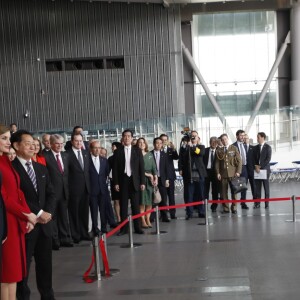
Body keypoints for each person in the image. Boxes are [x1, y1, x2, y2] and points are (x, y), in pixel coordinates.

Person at [11, 130, 56, 300]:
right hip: (25, 226)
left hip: (45, 225)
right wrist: (38, 213)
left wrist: (48, 212)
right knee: (23, 268)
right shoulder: (11, 168)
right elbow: (16, 195)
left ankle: (48, 296)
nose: (33, 146)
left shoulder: (40, 167)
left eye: (33, 143)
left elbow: (51, 193)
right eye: (28, 143)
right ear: (16, 146)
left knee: (45, 267)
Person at [0, 125, 36, 300]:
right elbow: (4, 197)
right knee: (6, 274)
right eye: (4, 138)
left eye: (9, 138)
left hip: (15, 222)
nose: (9, 142)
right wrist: (26, 214)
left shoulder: (6, 161)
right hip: (5, 223)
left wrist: (28, 215)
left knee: (14, 273)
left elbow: (18, 191)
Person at [112, 129, 145, 235]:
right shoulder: (118, 151)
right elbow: (115, 169)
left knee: (136, 206)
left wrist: (142, 182)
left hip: (135, 181)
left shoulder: (137, 150)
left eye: (128, 136)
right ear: (122, 138)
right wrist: (116, 182)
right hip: (123, 181)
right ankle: (123, 229)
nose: (126, 138)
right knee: (123, 207)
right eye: (125, 136)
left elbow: (141, 168)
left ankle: (138, 228)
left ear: (132, 138)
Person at [44, 134, 73, 250]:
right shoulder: (45, 157)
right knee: (54, 217)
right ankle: (55, 241)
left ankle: (65, 238)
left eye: (61, 143)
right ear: (51, 144)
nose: (60, 146)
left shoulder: (66, 156)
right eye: (57, 143)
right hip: (52, 193)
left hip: (65, 192)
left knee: (64, 217)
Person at [66, 132, 90, 243]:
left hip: (86, 188)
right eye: (76, 140)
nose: (79, 142)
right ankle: (76, 235)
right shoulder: (67, 155)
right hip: (74, 190)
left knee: (84, 212)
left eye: (80, 140)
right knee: (74, 213)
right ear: (72, 141)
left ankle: (84, 233)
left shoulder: (86, 153)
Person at [89, 140, 116, 235]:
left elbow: (106, 173)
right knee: (94, 211)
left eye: (99, 148)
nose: (97, 150)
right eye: (95, 148)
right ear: (91, 149)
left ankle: (104, 227)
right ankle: (95, 229)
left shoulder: (104, 160)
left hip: (103, 189)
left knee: (103, 209)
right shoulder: (86, 160)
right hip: (92, 190)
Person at [178, 131, 207, 219]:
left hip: (199, 174)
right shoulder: (184, 147)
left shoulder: (201, 147)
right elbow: (181, 159)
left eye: (195, 136)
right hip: (188, 174)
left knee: (200, 194)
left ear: (198, 138)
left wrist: (192, 146)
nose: (193, 137)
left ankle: (201, 211)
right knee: (188, 194)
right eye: (192, 136)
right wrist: (180, 169)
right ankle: (189, 212)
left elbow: (200, 153)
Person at [215, 133, 242, 214]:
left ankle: (234, 207)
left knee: (234, 192)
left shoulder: (234, 148)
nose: (224, 141)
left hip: (233, 174)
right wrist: (218, 173)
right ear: (221, 141)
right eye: (222, 140)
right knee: (223, 193)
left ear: (228, 139)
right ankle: (226, 208)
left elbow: (239, 161)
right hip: (223, 175)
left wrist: (238, 171)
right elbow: (217, 163)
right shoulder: (219, 150)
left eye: (225, 139)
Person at [137, 138, 157, 228]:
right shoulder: (136, 155)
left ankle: (148, 219)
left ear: (145, 144)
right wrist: (147, 174)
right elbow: (135, 169)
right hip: (140, 180)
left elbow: (154, 167)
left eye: (143, 142)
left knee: (149, 202)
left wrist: (155, 177)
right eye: (140, 142)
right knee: (142, 202)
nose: (142, 144)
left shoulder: (149, 154)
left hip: (150, 181)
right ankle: (142, 221)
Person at [151, 137, 170, 222]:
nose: (158, 145)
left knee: (163, 198)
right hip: (152, 179)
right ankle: (152, 217)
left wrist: (167, 179)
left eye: (160, 143)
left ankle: (164, 216)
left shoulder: (164, 155)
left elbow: (167, 168)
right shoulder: (149, 154)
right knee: (153, 198)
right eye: (157, 143)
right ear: (154, 144)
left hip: (162, 179)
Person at [159, 134, 179, 219]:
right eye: (162, 140)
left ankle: (172, 213)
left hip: (170, 176)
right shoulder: (158, 151)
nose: (164, 142)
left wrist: (174, 149)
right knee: (162, 197)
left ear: (167, 141)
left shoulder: (171, 150)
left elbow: (176, 157)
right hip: (161, 177)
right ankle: (163, 214)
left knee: (171, 196)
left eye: (165, 140)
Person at [253, 132, 272, 209]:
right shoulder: (255, 148)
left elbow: (268, 159)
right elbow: (253, 158)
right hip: (257, 170)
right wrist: (256, 166)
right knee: (258, 188)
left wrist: (260, 166)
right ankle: (257, 203)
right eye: (257, 137)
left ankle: (266, 204)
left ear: (263, 137)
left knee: (266, 188)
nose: (257, 139)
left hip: (265, 170)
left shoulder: (268, 147)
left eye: (258, 137)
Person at [232, 130, 249, 210]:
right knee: (235, 187)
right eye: (241, 135)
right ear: (237, 136)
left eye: (243, 135)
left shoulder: (245, 145)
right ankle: (234, 204)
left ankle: (243, 203)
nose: (243, 137)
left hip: (244, 168)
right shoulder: (233, 146)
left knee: (243, 186)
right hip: (236, 169)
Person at [203, 136, 219, 212]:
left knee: (215, 190)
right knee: (205, 190)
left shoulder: (219, 151)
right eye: (212, 142)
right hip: (206, 172)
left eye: (215, 142)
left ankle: (214, 206)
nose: (214, 143)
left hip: (215, 173)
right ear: (209, 143)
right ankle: (205, 205)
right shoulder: (205, 150)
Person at [108, 142, 122, 223]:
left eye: (114, 146)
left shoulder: (122, 156)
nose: (112, 148)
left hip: (122, 181)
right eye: (112, 146)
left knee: (122, 201)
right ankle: (118, 218)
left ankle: (122, 217)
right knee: (116, 200)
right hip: (113, 181)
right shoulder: (110, 158)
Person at [244, 134, 257, 201]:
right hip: (244, 170)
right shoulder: (241, 147)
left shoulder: (253, 148)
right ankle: (243, 202)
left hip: (252, 170)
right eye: (244, 138)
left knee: (253, 185)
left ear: (249, 139)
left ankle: (255, 200)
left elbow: (255, 159)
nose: (245, 139)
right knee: (243, 186)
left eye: (247, 138)